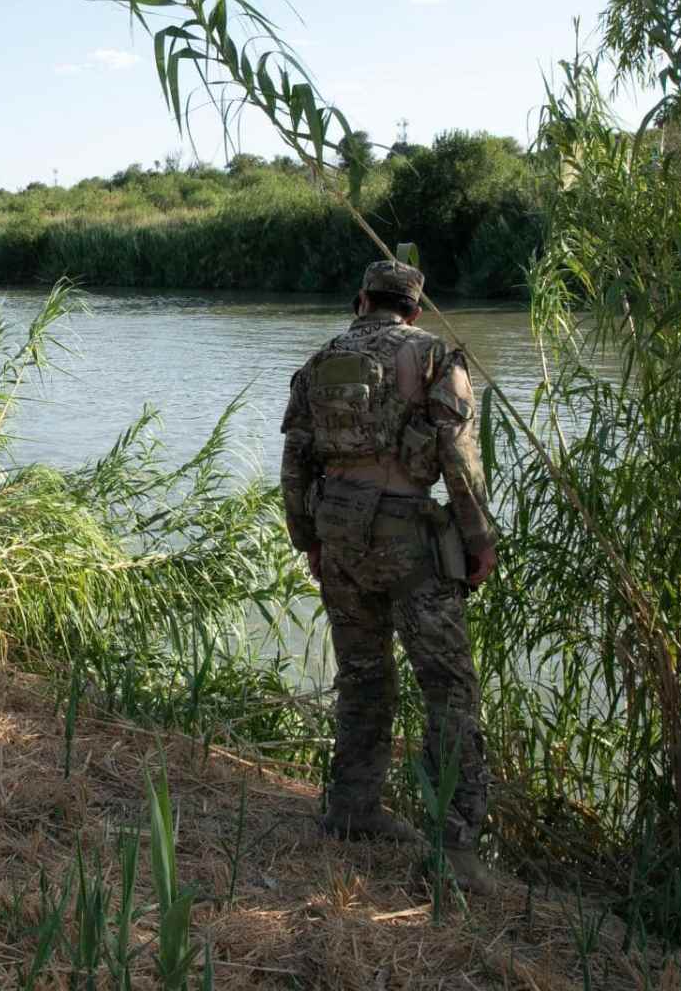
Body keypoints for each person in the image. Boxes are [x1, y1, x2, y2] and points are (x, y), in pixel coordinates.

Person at [279, 257, 500, 894]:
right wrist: (479, 539)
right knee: (449, 688)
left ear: (361, 301)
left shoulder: (320, 362)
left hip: (339, 534)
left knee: (364, 675)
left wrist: (308, 538)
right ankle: (454, 849)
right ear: (415, 308)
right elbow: (459, 458)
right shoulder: (434, 357)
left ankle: (351, 807)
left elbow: (295, 459)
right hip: (407, 535)